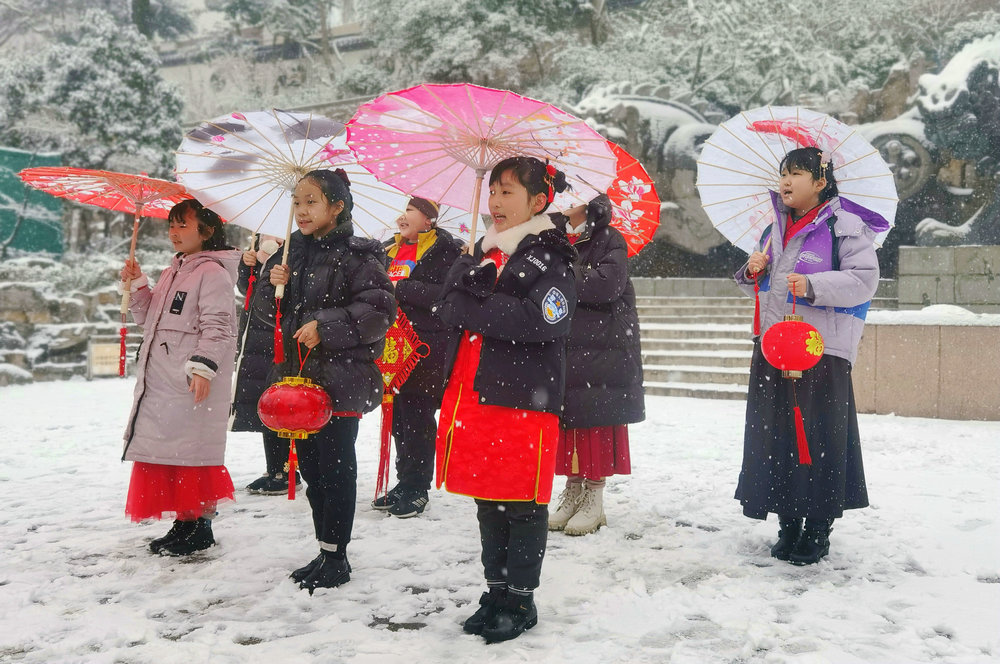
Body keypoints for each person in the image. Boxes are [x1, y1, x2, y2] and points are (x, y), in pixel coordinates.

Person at [434, 156, 577, 643]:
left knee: (520, 503)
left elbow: (541, 322)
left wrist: (479, 303)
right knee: (486, 499)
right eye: (492, 191)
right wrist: (476, 292)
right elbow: (446, 305)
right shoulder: (481, 252)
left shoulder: (552, 254)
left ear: (539, 201)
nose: (495, 202)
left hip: (522, 399)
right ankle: (494, 591)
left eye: (508, 192)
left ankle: (521, 598)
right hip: (472, 392)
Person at [734, 146, 887, 565]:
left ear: (821, 181)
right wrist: (753, 272)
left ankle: (818, 528)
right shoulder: (774, 228)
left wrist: (815, 285)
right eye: (783, 173)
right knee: (778, 439)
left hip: (821, 352)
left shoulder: (846, 225)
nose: (785, 181)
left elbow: (863, 281)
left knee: (819, 440)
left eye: (797, 173)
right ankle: (788, 524)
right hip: (773, 347)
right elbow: (764, 291)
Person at [256, 168, 394, 592]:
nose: (301, 210)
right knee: (313, 469)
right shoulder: (290, 254)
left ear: (337, 206)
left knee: (335, 468)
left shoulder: (360, 256)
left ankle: (338, 556)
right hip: (299, 379)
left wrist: (325, 326)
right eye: (297, 201)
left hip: (340, 379)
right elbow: (266, 317)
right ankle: (325, 547)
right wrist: (269, 284)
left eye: (312, 201)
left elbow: (378, 312)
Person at [120, 199, 240, 556]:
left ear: (207, 230)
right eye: (172, 225)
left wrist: (203, 368)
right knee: (173, 452)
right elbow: (151, 319)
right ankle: (184, 524)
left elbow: (218, 327)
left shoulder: (213, 273)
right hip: (164, 380)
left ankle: (200, 525)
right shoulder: (176, 268)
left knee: (193, 452)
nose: (174, 232)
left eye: (183, 225)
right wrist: (138, 284)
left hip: (190, 380)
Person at [548, 194, 645, 536]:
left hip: (603, 347)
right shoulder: (552, 236)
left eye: (570, 195)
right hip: (565, 342)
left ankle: (595, 498)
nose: (561, 201)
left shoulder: (609, 238)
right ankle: (572, 491)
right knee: (568, 421)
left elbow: (606, 285)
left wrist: (562, 273)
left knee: (595, 423)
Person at [375, 197, 462, 517]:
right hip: (390, 346)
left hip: (426, 348)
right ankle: (404, 480)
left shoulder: (448, 251)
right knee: (397, 417)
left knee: (418, 417)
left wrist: (402, 288)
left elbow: (446, 296)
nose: (402, 216)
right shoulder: (386, 250)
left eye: (410, 211)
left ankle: (418, 486)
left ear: (429, 220)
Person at [231, 235, 302, 496]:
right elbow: (246, 291)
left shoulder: (294, 247)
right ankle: (274, 468)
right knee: (266, 405)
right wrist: (247, 267)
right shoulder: (260, 246)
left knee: (283, 404)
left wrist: (275, 267)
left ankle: (287, 469)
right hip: (255, 339)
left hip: (276, 338)